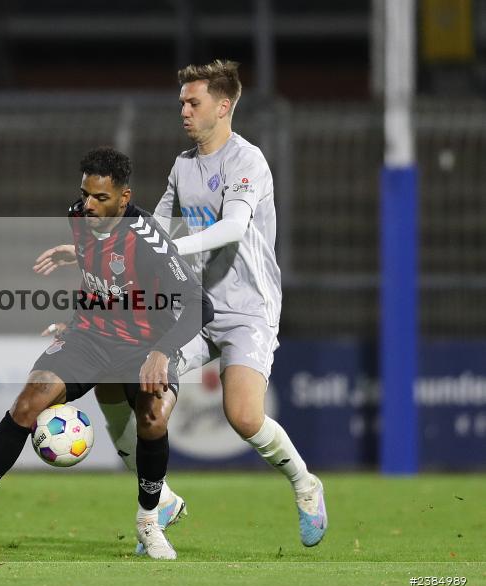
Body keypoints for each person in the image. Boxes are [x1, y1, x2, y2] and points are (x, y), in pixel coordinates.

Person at [33, 60, 328, 549]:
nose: (184, 111)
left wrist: (168, 249)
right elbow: (151, 230)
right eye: (182, 103)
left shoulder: (247, 161)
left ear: (224, 106)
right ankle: (160, 501)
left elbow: (232, 228)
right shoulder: (183, 166)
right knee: (129, 387)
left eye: (194, 102)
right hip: (192, 305)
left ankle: (305, 482)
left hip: (248, 309)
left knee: (243, 416)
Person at [0, 148, 213, 560]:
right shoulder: (79, 216)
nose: (89, 205)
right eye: (85, 194)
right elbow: (100, 277)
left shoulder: (149, 242)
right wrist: (74, 319)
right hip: (90, 336)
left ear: (124, 199)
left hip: (143, 346)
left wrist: (163, 352)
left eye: (101, 198)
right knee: (27, 403)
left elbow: (200, 303)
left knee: (153, 417)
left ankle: (149, 521)